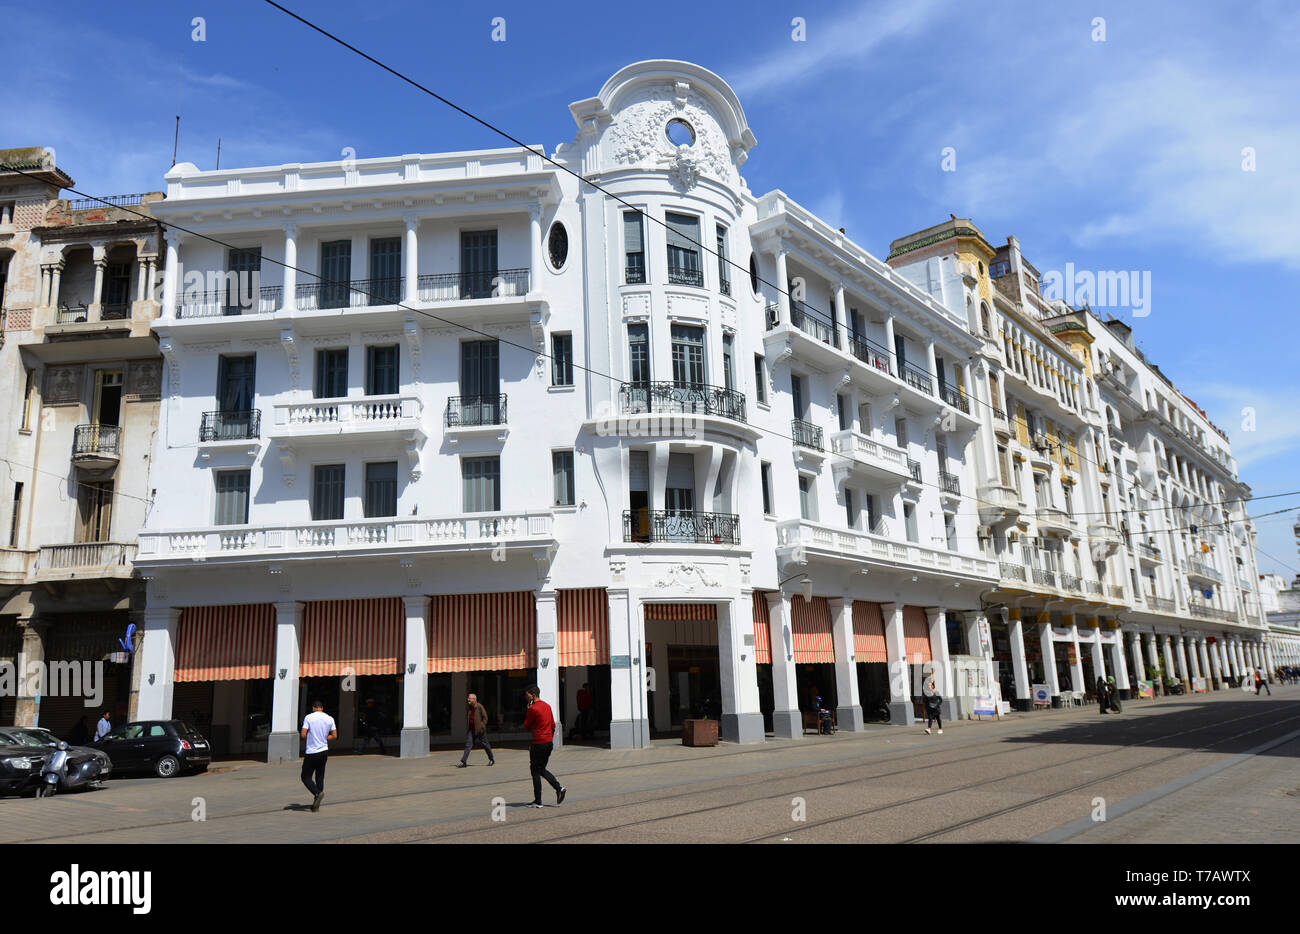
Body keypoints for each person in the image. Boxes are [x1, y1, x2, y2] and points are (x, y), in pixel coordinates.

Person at [522, 684, 565, 808]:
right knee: (540, 769)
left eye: (527, 695)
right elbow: (553, 725)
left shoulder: (533, 709)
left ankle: (540, 799)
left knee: (535, 771)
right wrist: (549, 738)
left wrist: (528, 710)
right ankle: (557, 789)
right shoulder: (547, 706)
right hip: (548, 743)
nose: (526, 697)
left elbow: (526, 726)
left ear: (533, 695)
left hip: (538, 743)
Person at [300, 699, 337, 812]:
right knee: (320, 776)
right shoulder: (329, 718)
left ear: (313, 708)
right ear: (322, 708)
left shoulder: (309, 717)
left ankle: (317, 793)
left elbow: (303, 734)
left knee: (305, 776)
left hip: (311, 752)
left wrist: (311, 738)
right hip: (324, 751)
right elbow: (334, 736)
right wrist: (323, 738)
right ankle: (317, 801)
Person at [458, 693, 494, 767]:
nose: (468, 699)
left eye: (469, 698)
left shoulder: (480, 707)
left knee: (485, 745)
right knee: (468, 745)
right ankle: (463, 762)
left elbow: (485, 718)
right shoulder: (469, 707)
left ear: (474, 699)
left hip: (480, 730)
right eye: (468, 698)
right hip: (471, 730)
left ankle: (491, 759)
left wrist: (482, 726)